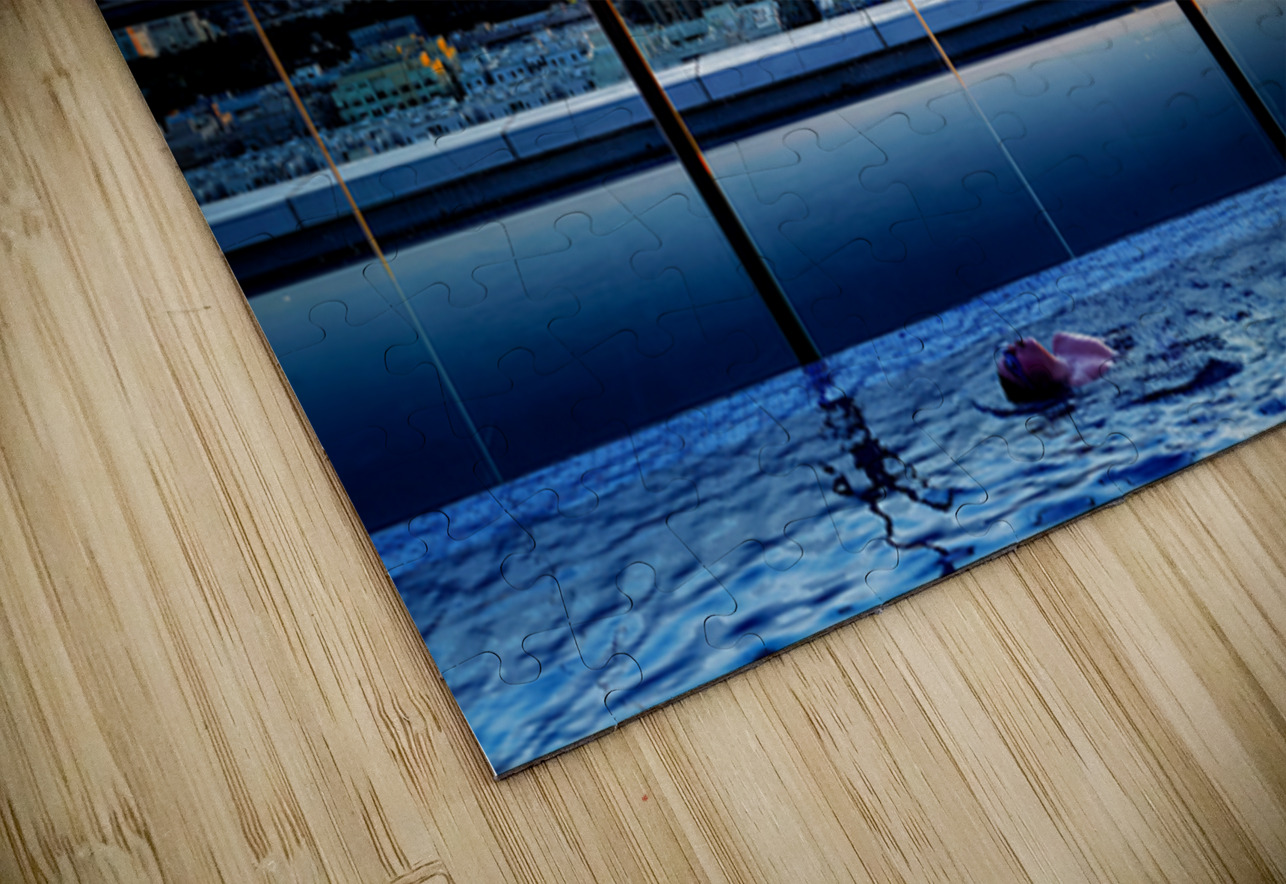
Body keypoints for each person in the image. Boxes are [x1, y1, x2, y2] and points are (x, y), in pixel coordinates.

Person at [997, 332, 1116, 403]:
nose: (1013, 346)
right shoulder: (1079, 381)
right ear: (1037, 382)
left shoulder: (1063, 341)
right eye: (1011, 362)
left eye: (1007, 349)